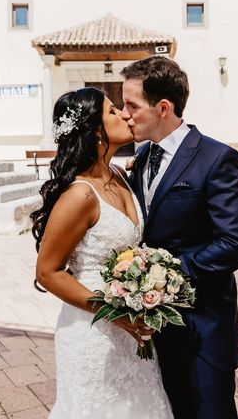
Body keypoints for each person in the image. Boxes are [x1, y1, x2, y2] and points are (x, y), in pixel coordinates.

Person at [121, 56, 238, 419]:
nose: (124, 114)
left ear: (163, 107)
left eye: (132, 105)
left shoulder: (216, 158)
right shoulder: (143, 154)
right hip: (154, 328)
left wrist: (167, 277)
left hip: (203, 328)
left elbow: (236, 243)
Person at [31, 87, 173, 418]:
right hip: (93, 331)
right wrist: (114, 312)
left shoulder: (120, 175)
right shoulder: (80, 195)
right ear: (95, 131)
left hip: (132, 327)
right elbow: (47, 272)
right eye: (113, 111)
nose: (124, 114)